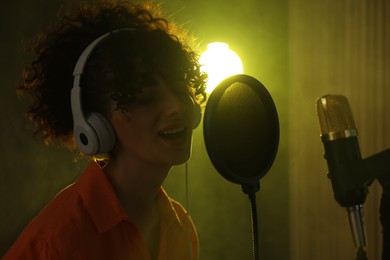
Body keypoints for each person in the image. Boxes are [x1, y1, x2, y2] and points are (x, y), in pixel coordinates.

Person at [3, 0, 207, 259]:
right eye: (144, 97)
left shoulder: (181, 228)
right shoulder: (60, 241)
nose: (176, 106)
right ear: (96, 124)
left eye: (179, 89)